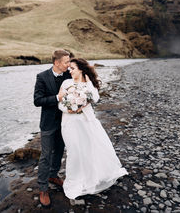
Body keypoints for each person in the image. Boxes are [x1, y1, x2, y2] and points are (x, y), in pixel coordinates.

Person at [58, 58, 128, 200]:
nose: (70, 71)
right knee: (74, 150)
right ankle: (76, 180)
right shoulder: (66, 83)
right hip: (69, 122)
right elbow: (60, 103)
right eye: (69, 68)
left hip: (86, 121)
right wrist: (70, 108)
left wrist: (88, 84)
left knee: (91, 147)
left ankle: (92, 178)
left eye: (73, 68)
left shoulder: (88, 84)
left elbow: (95, 98)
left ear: (81, 69)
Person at [33, 49, 72, 206]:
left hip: (65, 121)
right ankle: (43, 188)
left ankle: (53, 175)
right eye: (66, 62)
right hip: (48, 123)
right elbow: (37, 101)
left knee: (59, 150)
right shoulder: (42, 77)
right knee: (46, 155)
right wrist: (57, 98)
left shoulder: (69, 75)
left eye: (69, 62)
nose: (69, 64)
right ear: (56, 63)